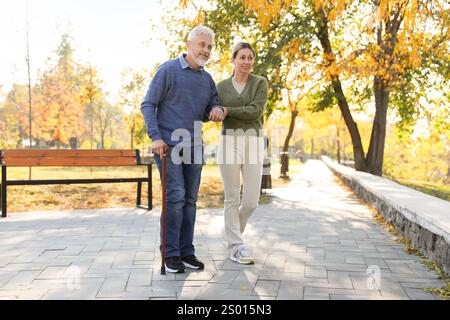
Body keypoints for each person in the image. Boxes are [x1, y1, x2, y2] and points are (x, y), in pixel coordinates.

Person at [141, 26, 224, 273]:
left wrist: (216, 110)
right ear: (188, 45)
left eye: (209, 47)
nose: (206, 50)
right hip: (168, 146)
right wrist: (155, 137)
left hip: (194, 147)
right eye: (202, 44)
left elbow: (211, 105)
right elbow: (148, 104)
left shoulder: (206, 79)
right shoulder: (169, 70)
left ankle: (186, 251)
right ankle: (171, 254)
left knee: (190, 200)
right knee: (175, 198)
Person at [216, 41, 268, 264]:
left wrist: (228, 111)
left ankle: (230, 233)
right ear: (233, 60)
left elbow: (255, 111)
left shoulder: (259, 83)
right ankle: (236, 245)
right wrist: (221, 112)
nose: (247, 62)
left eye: (250, 58)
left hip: (253, 142)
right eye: (242, 57)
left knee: (251, 202)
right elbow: (212, 109)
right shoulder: (221, 87)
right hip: (229, 141)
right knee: (231, 197)